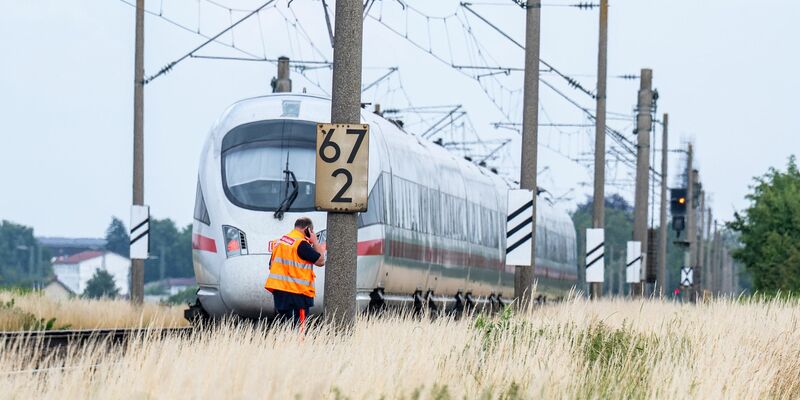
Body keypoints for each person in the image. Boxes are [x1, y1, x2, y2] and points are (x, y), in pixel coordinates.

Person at [264, 217, 325, 325]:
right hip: (298, 293)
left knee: (284, 325)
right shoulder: (301, 244)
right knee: (299, 328)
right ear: (307, 229)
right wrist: (315, 242)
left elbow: (271, 265)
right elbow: (320, 261)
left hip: (279, 292)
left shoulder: (279, 242)